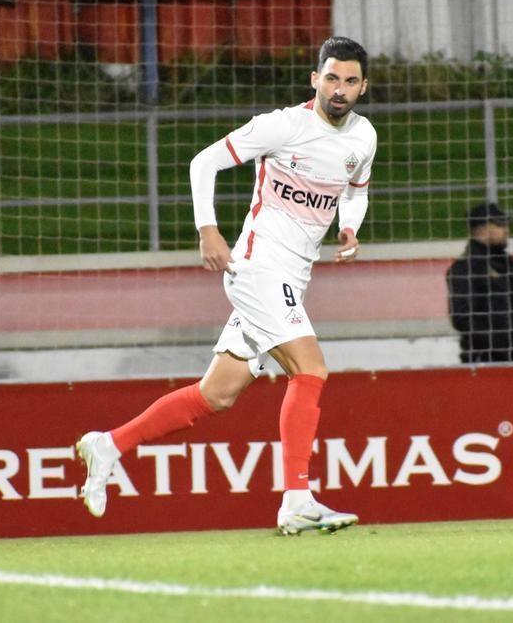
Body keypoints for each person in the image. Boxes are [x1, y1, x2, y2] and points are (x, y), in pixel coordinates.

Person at [74, 37, 375, 535]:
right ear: (314, 79)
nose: (338, 89)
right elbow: (203, 162)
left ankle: (108, 445)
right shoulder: (282, 126)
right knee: (312, 369)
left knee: (216, 395)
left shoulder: (363, 137)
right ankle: (296, 499)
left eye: (349, 81)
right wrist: (207, 229)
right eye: (330, 78)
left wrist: (349, 226)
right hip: (258, 269)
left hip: (290, 279)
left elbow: (356, 191)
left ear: (363, 87)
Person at [446, 202, 513, 364]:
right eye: (500, 225)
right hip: (484, 362)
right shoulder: (465, 267)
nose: (507, 230)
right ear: (482, 229)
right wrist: (498, 346)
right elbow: (461, 317)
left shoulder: (507, 263)